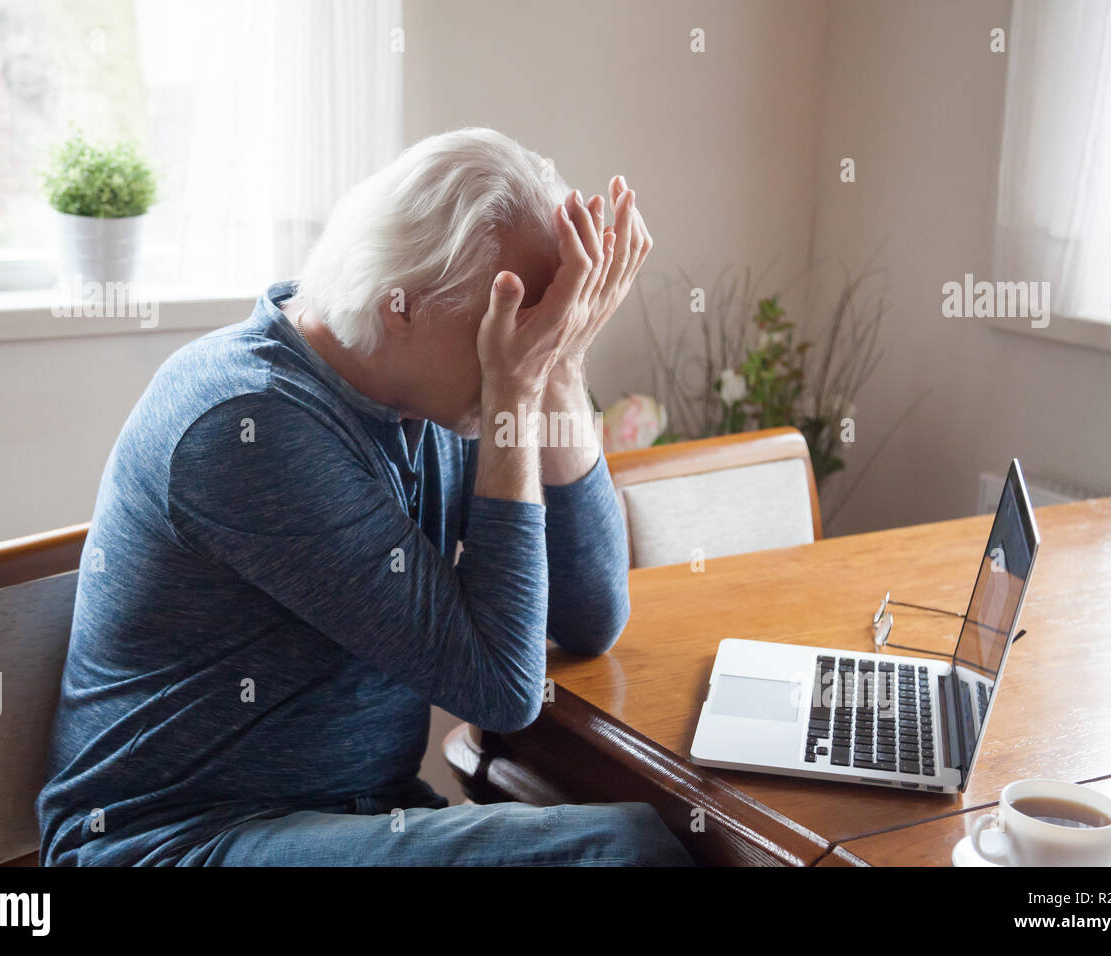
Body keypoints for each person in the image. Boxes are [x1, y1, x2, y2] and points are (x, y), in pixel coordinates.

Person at [37, 127, 692, 866]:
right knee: (622, 850)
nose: (523, 345)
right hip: (176, 838)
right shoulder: (249, 425)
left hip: (360, 815)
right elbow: (502, 690)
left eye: (542, 322)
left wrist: (562, 364)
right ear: (400, 305)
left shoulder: (433, 390)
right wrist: (515, 386)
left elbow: (591, 617)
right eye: (512, 320)